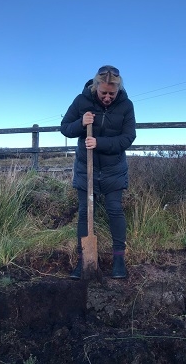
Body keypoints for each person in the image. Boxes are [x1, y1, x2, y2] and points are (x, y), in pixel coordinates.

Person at [60, 65, 136, 279]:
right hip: (86, 168)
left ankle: (118, 260)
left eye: (112, 93)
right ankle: (83, 261)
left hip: (114, 169)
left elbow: (128, 138)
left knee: (114, 209)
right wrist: (80, 124)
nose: (108, 97)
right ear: (95, 87)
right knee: (84, 212)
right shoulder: (81, 101)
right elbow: (65, 127)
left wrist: (99, 142)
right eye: (104, 93)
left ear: (118, 89)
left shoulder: (126, 105)